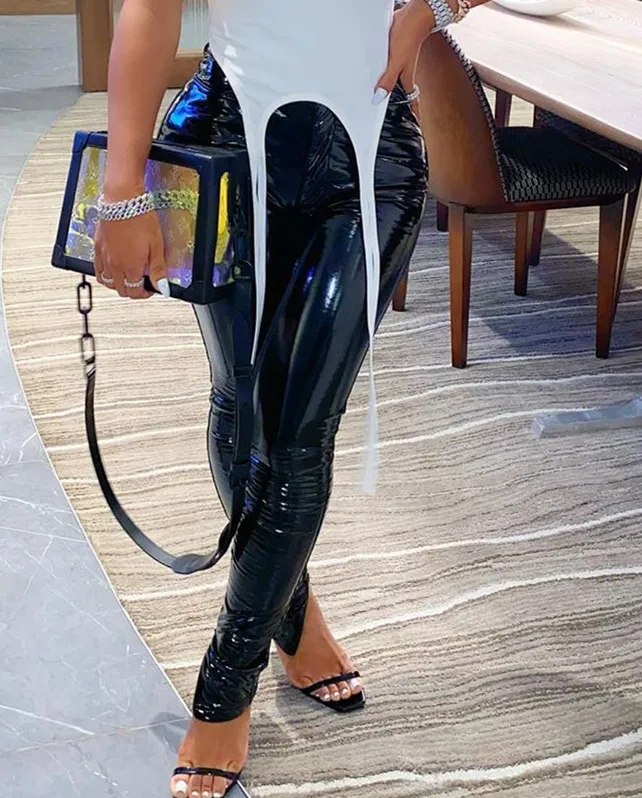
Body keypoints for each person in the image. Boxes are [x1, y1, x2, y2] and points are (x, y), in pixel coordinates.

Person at [95, 1, 491, 795]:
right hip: (224, 144)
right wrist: (123, 190)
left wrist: (434, 9)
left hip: (370, 161)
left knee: (299, 432)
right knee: (241, 401)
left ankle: (224, 687)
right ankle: (295, 617)